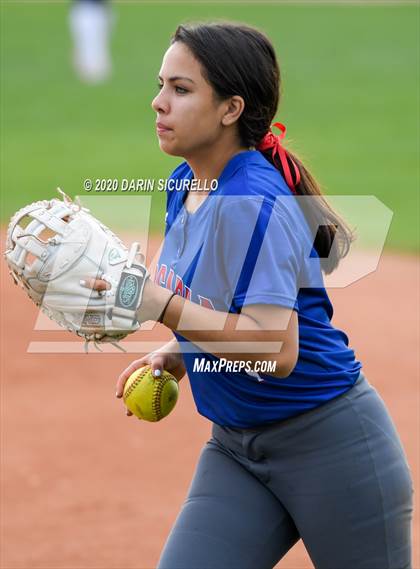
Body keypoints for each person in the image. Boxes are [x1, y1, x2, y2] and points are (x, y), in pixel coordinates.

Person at [113, 22, 413, 568]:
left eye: (181, 90)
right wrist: (182, 350)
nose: (158, 103)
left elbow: (276, 349)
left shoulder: (254, 199)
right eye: (161, 85)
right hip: (236, 451)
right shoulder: (185, 185)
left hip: (333, 449)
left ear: (231, 108)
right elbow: (222, 306)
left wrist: (161, 306)